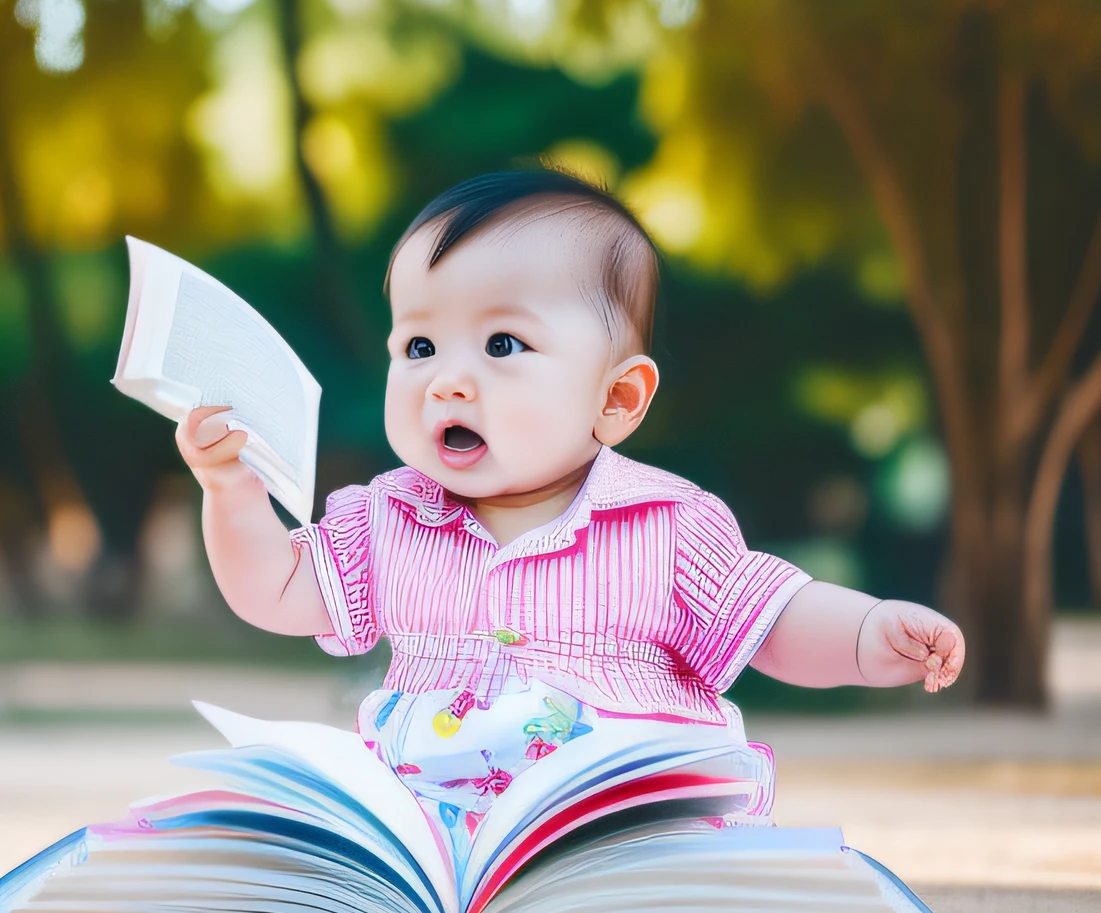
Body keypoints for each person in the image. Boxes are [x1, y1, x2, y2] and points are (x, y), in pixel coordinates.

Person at [175, 169, 964, 848]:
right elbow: (274, 590)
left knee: (657, 863)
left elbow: (774, 620)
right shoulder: (387, 519)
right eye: (419, 347)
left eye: (502, 345)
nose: (446, 381)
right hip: (442, 836)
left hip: (622, 824)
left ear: (617, 399)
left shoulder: (666, 524)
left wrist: (867, 634)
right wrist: (232, 492)